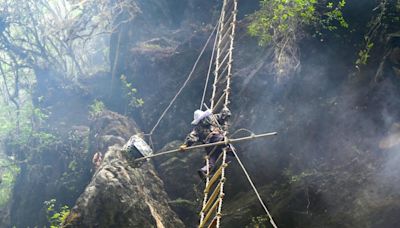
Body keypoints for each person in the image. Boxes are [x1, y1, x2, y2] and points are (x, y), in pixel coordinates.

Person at [180, 107, 233, 179]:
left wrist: (225, 111)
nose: (204, 121)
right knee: (224, 141)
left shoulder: (208, 121)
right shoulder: (206, 122)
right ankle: (229, 149)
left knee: (212, 159)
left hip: (209, 146)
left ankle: (204, 170)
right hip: (215, 139)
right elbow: (191, 137)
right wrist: (185, 145)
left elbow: (222, 116)